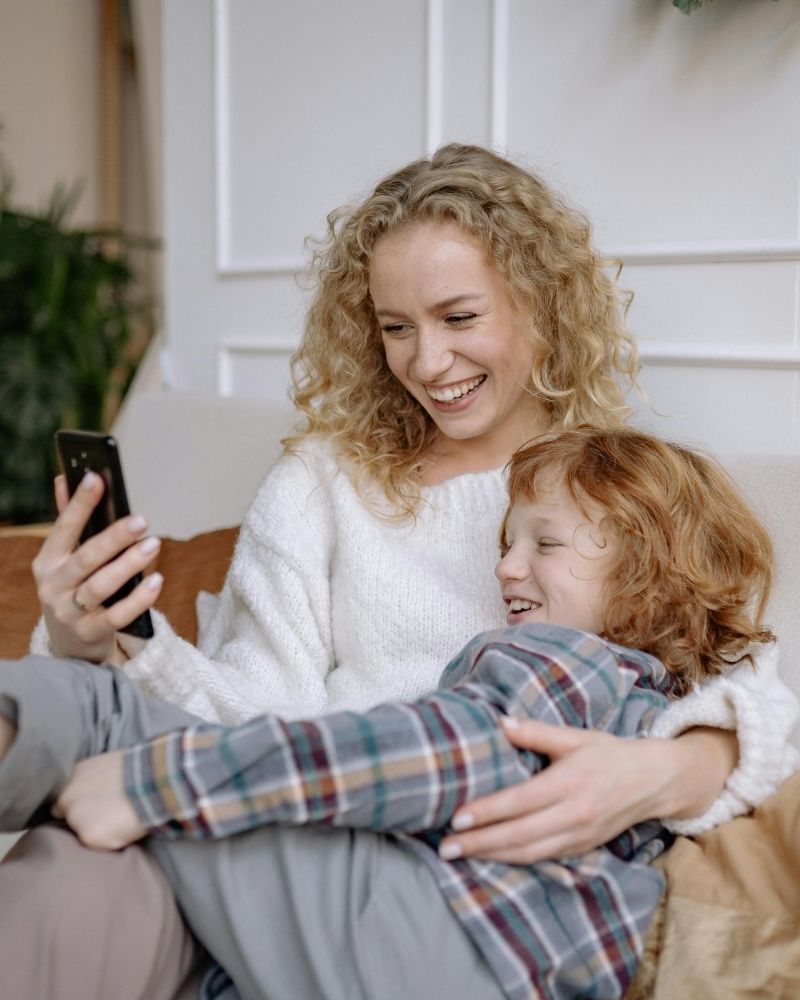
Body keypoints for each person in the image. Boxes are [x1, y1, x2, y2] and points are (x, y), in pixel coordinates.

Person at [1, 144, 795, 997]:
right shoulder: (320, 484)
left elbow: (744, 682)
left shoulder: (608, 487)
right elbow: (254, 706)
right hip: (273, 817)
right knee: (71, 866)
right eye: (395, 327)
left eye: (459, 318)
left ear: (545, 304)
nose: (426, 363)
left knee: (97, 754)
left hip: (424, 883)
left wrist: (665, 770)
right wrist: (111, 643)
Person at [0, 427, 792, 1000]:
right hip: (467, 954)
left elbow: (446, 752)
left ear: (650, 581)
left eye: (543, 546)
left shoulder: (564, 659)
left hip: (458, 936)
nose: (507, 568)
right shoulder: (639, 697)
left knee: (104, 712)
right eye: (505, 545)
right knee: (86, 848)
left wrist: (160, 782)